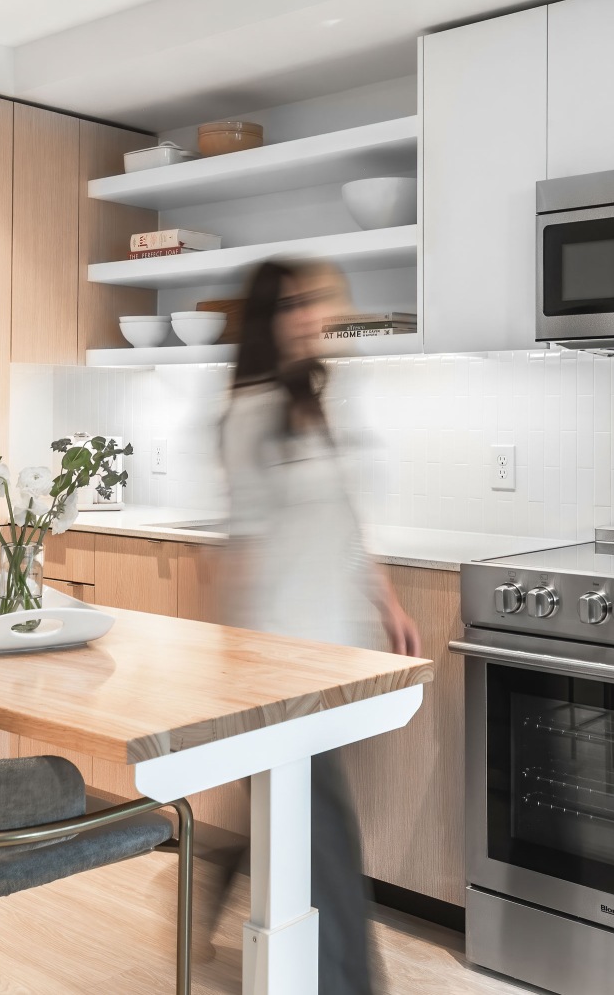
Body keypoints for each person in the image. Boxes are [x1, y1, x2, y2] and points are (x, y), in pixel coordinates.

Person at [216, 258, 421, 995]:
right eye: (293, 306)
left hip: (332, 650)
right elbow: (241, 547)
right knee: (324, 827)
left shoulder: (320, 399)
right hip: (278, 653)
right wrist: (233, 662)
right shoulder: (248, 414)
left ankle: (225, 895)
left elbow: (344, 517)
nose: (309, 318)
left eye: (314, 304)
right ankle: (350, 983)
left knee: (294, 818)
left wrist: (386, 599)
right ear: (267, 322)